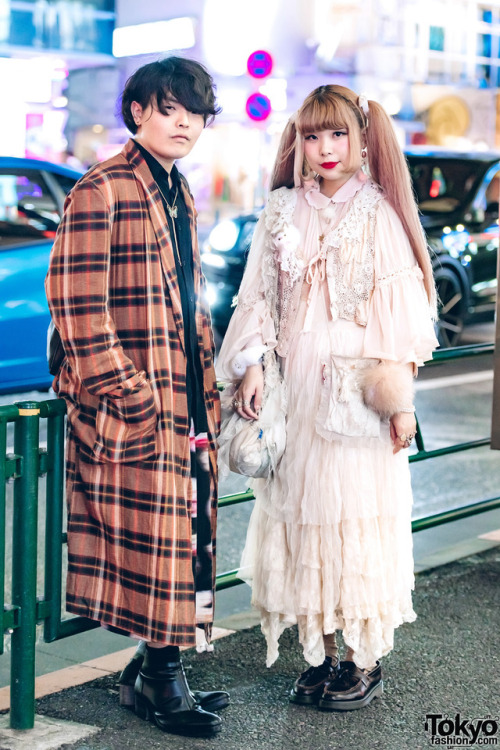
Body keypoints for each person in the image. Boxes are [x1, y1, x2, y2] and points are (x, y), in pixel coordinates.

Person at [216, 85, 438, 711]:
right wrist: (253, 364)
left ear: (360, 139)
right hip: (296, 396)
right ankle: (321, 655)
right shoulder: (282, 210)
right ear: (299, 143)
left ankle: (361, 662)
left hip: (354, 398)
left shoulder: (379, 213)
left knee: (353, 520)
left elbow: (400, 320)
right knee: (304, 520)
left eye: (337, 134)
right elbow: (255, 296)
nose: (325, 148)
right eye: (313, 136)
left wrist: (398, 403)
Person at [45, 56, 228, 738]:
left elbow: (186, 302)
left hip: (185, 401)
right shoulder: (103, 188)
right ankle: (160, 679)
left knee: (185, 543)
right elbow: (76, 306)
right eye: (170, 108)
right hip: (141, 406)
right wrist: (134, 394)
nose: (185, 122)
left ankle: (154, 672)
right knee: (157, 544)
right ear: (138, 112)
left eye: (195, 112)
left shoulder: (175, 190)